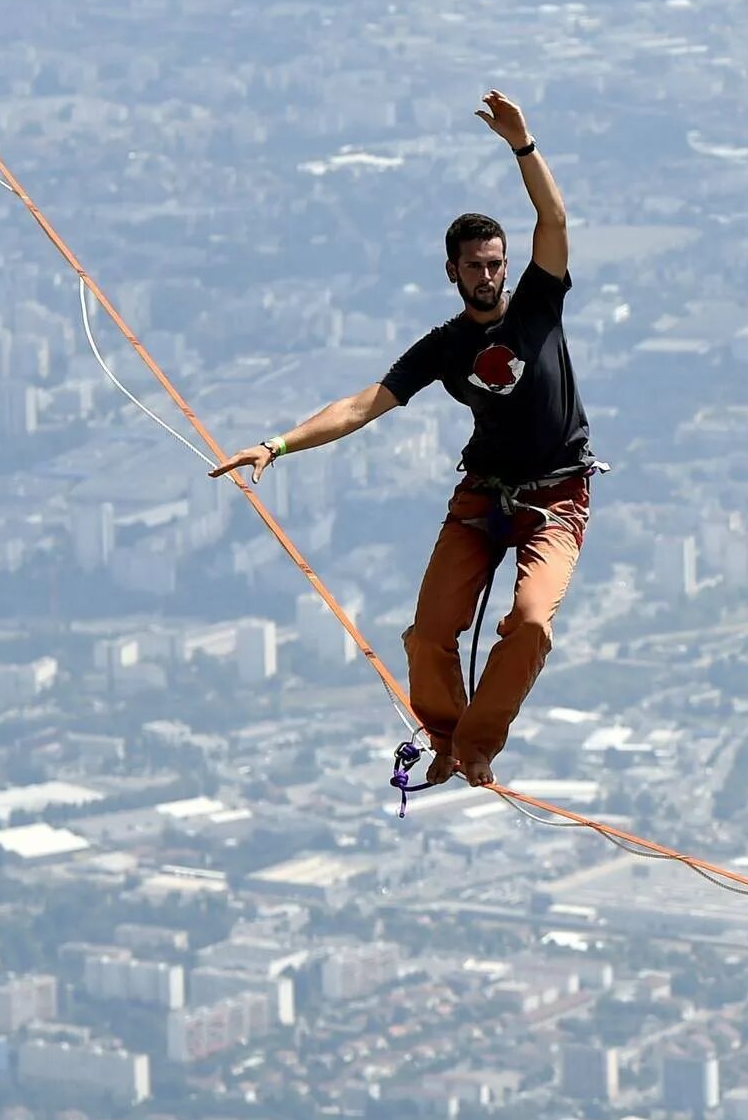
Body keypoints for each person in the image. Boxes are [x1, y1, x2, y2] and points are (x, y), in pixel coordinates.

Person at [211, 90, 597, 790]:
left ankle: (477, 746)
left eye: (495, 262)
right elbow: (364, 404)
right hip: (485, 494)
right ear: (452, 271)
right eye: (475, 265)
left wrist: (523, 145)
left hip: (557, 493)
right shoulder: (444, 347)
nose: (488, 274)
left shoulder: (539, 302)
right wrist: (276, 444)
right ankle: (446, 740)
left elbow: (554, 218)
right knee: (427, 634)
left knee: (533, 622)